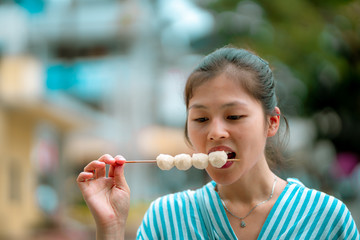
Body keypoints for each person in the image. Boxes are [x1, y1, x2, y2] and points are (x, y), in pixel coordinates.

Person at [77, 46, 360, 240]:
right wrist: (111, 229)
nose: (215, 132)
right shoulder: (166, 219)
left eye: (234, 116)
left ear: (271, 122)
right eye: (200, 119)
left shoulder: (326, 219)